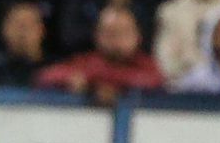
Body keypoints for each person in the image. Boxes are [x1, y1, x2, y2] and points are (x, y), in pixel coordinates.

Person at [36, 6, 164, 103]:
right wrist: (73, 80)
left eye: (123, 32)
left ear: (137, 36)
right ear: (97, 36)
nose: (116, 39)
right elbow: (46, 76)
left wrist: (96, 83)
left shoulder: (147, 65)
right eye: (109, 33)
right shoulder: (86, 61)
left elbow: (153, 81)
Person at [0, 0, 51, 87]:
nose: (22, 31)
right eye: (17, 24)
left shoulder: (54, 69)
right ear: (4, 30)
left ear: (41, 30)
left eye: (29, 24)